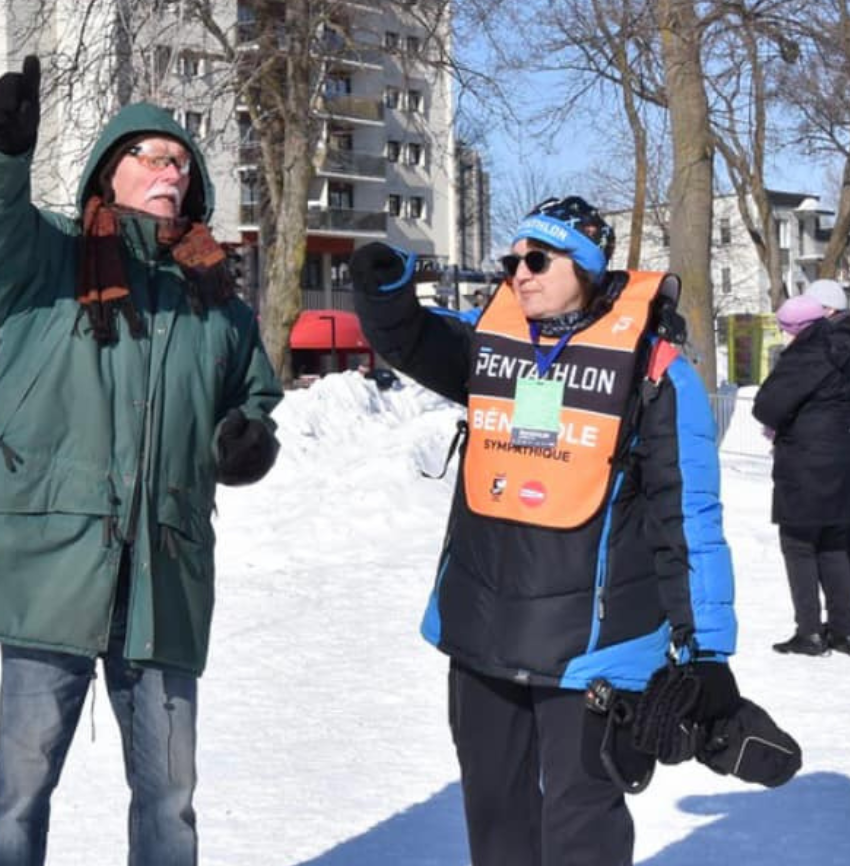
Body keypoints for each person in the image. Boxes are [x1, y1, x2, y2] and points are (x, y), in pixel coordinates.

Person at [350, 195, 791, 866]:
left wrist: (705, 655)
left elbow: (689, 519)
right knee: (496, 822)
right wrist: (383, 292)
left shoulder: (655, 372)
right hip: (484, 636)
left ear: (584, 266)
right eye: (511, 261)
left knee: (581, 830)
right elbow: (410, 337)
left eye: (537, 259)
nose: (518, 273)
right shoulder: (489, 344)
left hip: (596, 650)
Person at [0, 56, 283, 864]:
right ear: (109, 172)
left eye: (182, 162)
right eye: (153, 157)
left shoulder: (213, 295)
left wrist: (250, 438)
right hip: (51, 568)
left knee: (169, 803)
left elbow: (253, 395)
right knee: (15, 796)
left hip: (163, 575)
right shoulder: (47, 262)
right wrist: (5, 157)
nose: (173, 170)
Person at [753, 282, 850, 657]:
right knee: (835, 543)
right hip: (841, 460)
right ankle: (843, 631)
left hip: (807, 463)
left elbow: (767, 405)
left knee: (799, 544)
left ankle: (809, 632)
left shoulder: (809, 351)